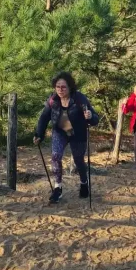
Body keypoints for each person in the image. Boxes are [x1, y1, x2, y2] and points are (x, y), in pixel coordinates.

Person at [33, 71, 99, 204]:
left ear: (70, 87)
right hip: (60, 132)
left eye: (63, 87)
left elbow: (94, 118)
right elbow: (44, 117)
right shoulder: (53, 100)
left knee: (78, 160)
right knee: (55, 156)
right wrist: (39, 134)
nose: (60, 90)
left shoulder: (79, 99)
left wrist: (90, 116)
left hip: (77, 133)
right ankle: (58, 188)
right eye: (57, 87)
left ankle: (84, 182)